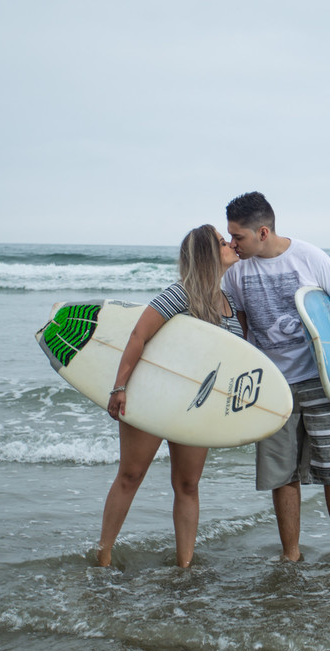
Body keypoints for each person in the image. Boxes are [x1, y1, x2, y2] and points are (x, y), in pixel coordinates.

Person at [221, 191, 330, 567]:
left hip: (323, 381)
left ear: (262, 231)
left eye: (237, 237)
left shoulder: (310, 257)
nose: (231, 244)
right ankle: (291, 556)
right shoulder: (236, 273)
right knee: (281, 475)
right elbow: (237, 334)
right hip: (273, 387)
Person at [97, 224, 242, 569]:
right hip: (154, 395)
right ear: (209, 254)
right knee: (130, 476)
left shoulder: (231, 304)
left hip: (195, 406)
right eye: (224, 242)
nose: (231, 245)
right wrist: (119, 387)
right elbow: (138, 335)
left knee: (188, 484)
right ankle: (103, 555)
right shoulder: (179, 294)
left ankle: (185, 565)